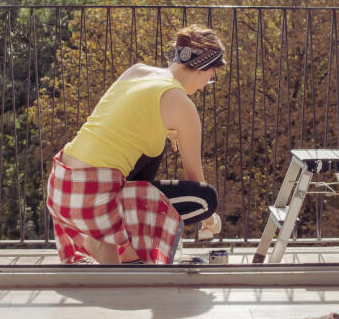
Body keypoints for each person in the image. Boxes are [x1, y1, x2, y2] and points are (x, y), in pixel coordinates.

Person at [47, 24, 225, 265]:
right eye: (211, 78)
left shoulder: (137, 71)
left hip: (61, 189)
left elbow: (118, 124)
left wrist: (168, 130)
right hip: (92, 198)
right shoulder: (182, 104)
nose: (205, 86)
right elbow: (195, 178)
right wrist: (210, 218)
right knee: (205, 198)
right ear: (204, 69)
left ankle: (120, 246)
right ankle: (108, 240)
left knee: (154, 150)